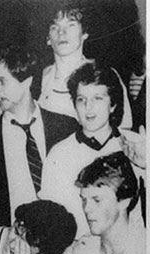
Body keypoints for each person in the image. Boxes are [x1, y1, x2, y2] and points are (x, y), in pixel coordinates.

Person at [0, 45, 78, 253]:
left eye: (2, 81)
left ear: (26, 80)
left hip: (65, 248)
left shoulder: (66, 128)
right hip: (9, 252)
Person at [41, 62, 144, 239]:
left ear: (113, 105)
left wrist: (146, 165)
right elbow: (51, 222)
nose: (88, 107)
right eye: (81, 99)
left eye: (97, 98)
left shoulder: (137, 145)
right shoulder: (59, 154)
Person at [38, 4, 133, 129]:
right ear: (48, 39)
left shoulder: (105, 75)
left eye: (71, 25)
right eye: (55, 27)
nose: (62, 32)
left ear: (84, 33)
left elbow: (124, 129)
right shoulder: (39, 79)